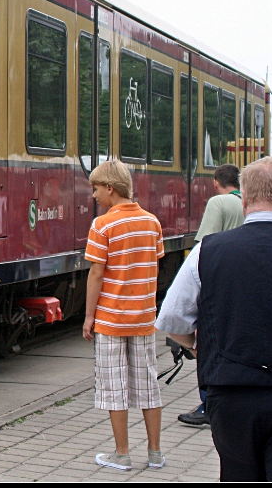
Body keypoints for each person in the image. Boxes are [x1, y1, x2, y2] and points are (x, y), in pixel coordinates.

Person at [156, 157, 272, 482]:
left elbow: (171, 319)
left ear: (246, 199)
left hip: (231, 392)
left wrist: (202, 349)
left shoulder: (208, 250)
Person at [82, 160, 166, 471]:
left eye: (95, 188)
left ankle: (122, 454)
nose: (93, 195)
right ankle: (155, 453)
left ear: (110, 189)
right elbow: (152, 263)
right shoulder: (152, 222)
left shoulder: (102, 225)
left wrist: (89, 317)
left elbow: (96, 274)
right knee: (147, 384)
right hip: (144, 317)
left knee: (114, 386)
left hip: (111, 319)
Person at [179, 163, 244, 427]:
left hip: (218, 281)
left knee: (210, 343)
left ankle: (208, 405)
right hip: (244, 283)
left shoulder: (219, 202)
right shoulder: (249, 203)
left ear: (216, 183)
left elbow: (203, 245)